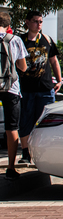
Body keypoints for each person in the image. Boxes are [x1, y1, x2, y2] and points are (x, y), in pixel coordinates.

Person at [18, 10, 62, 164]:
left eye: (41, 22)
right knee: (25, 121)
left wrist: (59, 80)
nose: (39, 25)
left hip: (45, 88)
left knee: (45, 122)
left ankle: (44, 154)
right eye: (36, 21)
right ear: (27, 22)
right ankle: (25, 154)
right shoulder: (20, 40)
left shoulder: (47, 39)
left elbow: (54, 61)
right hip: (25, 89)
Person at [0, 12, 28, 180]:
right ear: (8, 26)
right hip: (11, 88)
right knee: (12, 128)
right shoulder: (15, 40)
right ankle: (11, 167)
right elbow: (23, 67)